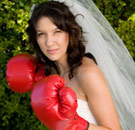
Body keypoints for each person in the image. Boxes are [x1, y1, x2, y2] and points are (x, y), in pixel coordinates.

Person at [26, 0, 123, 130]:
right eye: (41, 34)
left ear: (70, 32)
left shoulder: (87, 74)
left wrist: (79, 125)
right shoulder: (48, 72)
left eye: (57, 31)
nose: (49, 42)